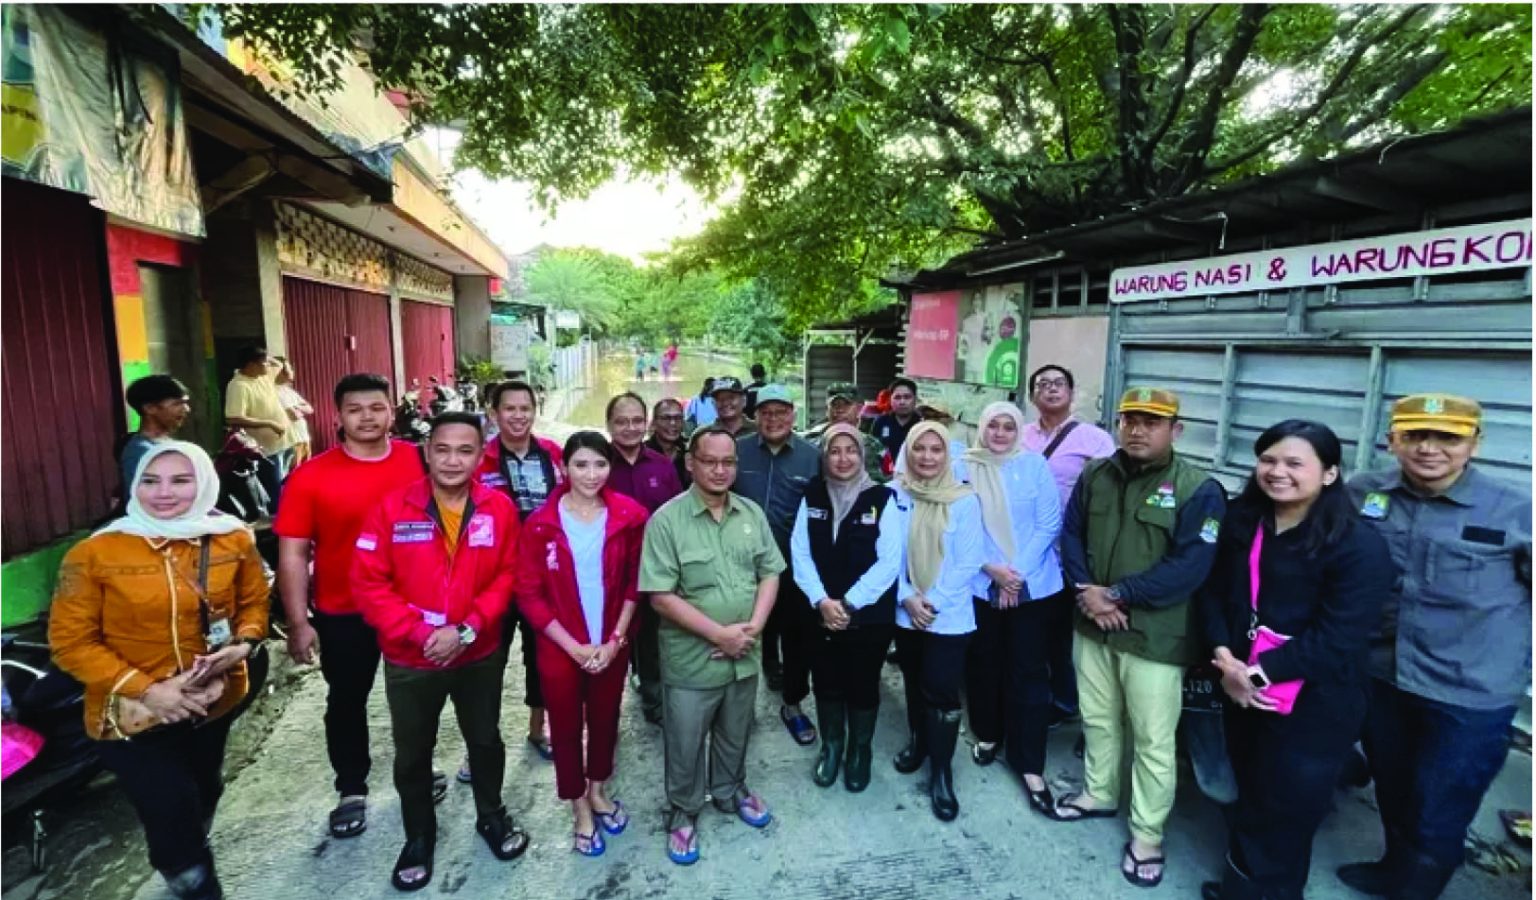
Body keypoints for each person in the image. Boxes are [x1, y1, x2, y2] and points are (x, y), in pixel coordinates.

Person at [50, 442, 269, 900]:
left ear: (205, 482)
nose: (163, 493)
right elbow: (71, 644)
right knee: (169, 806)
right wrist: (150, 691)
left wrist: (243, 646)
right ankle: (191, 877)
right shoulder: (95, 554)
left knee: (203, 788)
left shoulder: (233, 537)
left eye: (180, 480)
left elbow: (252, 605)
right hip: (129, 714)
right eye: (150, 481)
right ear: (133, 486)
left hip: (213, 700)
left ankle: (191, 846)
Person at [1337, 394, 1531, 900]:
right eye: (1415, 435)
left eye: (1447, 437)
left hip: (1469, 690)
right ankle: (1393, 869)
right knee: (1395, 787)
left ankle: (1413, 890)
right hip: (1383, 675)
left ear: (1474, 444)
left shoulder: (1515, 511)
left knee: (1439, 805)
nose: (1429, 448)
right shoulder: (1363, 492)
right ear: (1393, 439)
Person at [1195, 420, 1392, 900]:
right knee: (1251, 790)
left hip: (1315, 701)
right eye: (1268, 460)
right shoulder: (1242, 519)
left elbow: (1339, 635)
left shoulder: (1358, 546)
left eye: (1293, 463)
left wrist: (1258, 675)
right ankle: (1240, 886)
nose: (1277, 472)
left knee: (1286, 808)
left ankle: (1270, 892)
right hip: (1238, 686)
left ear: (1328, 474)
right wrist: (1225, 659)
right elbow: (1212, 593)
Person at [1052, 387, 1227, 890]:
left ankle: (1147, 834)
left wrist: (1120, 595)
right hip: (1092, 624)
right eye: (1130, 419)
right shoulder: (1095, 474)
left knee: (1153, 740)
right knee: (1098, 719)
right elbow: (1071, 535)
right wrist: (1087, 591)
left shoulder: (1199, 488)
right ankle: (1098, 792)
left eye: (1152, 421)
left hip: (1154, 635)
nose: (1137, 429)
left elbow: (1192, 565)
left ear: (1176, 429)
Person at [353, 412, 529, 891]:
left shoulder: (499, 508)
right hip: (412, 658)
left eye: (465, 450)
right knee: (412, 752)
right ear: (427, 452)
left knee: (486, 740)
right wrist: (418, 634)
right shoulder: (391, 509)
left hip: (478, 653)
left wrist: (467, 630)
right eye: (443, 449)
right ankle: (419, 835)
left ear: (480, 456)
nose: (454, 460)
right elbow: (369, 583)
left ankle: (491, 814)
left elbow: (507, 576)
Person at [275, 373, 433, 840]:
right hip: (344, 611)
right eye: (356, 409)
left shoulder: (419, 461)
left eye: (377, 407)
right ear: (338, 416)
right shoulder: (310, 477)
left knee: (419, 696)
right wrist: (299, 621)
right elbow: (293, 554)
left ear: (392, 411)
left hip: (413, 606)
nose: (368, 417)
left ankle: (417, 772)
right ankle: (351, 788)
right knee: (347, 699)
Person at [639, 426, 784, 865]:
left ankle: (729, 789)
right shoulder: (667, 520)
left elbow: (770, 572)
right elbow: (660, 597)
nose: (720, 470)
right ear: (691, 463)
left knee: (735, 729)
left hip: (745, 653)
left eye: (728, 462)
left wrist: (753, 628)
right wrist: (720, 635)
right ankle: (683, 811)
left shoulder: (751, 514)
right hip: (693, 657)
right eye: (710, 461)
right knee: (685, 740)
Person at [512, 431, 647, 857]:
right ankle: (579, 808)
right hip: (560, 646)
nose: (591, 474)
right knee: (566, 728)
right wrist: (573, 647)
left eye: (600, 464)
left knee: (605, 720)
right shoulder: (540, 524)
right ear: (564, 468)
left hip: (612, 642)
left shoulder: (630, 516)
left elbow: (635, 583)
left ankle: (599, 790)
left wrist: (615, 639)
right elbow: (528, 593)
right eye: (581, 465)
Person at [955, 402, 1065, 816]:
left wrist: (1014, 574)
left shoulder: (1033, 465)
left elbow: (1048, 523)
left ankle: (1030, 763)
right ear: (981, 428)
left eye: (1007, 426)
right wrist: (993, 570)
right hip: (981, 582)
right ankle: (987, 735)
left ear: (1018, 430)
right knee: (984, 665)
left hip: (1032, 585)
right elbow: (960, 522)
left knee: (1029, 673)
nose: (1000, 433)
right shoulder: (964, 465)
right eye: (992, 426)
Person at [790, 423, 902, 791]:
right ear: (824, 455)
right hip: (819, 612)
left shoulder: (883, 499)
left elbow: (889, 561)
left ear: (862, 454)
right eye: (834, 451)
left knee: (864, 683)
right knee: (826, 681)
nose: (843, 458)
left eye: (850, 450)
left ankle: (860, 751)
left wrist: (850, 602)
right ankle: (832, 747)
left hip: (868, 616)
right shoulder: (813, 494)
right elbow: (800, 553)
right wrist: (822, 601)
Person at [890, 422, 986, 821]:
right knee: (913, 681)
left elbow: (968, 562)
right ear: (908, 453)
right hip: (905, 609)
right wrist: (906, 597)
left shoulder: (963, 500)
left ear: (949, 456)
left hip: (949, 616)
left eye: (936, 450)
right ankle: (918, 743)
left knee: (942, 691)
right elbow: (887, 554)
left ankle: (942, 771)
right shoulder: (896, 494)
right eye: (919, 449)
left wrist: (932, 602)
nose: (927, 457)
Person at [474, 380, 565, 772]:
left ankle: (537, 728)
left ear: (535, 410)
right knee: (485, 662)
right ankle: (478, 743)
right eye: (508, 408)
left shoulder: (554, 454)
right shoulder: (480, 459)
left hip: (542, 576)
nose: (517, 416)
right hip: (492, 577)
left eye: (524, 408)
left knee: (541, 656)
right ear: (494, 413)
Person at [1022, 364, 1117, 728]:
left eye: (1058, 383)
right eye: (1042, 384)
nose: (1050, 389)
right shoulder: (1021, 436)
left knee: (1067, 634)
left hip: (1070, 553)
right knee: (1036, 631)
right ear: (1032, 396)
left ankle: (1066, 701)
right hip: (1028, 553)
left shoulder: (1094, 440)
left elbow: (1108, 495)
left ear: (1072, 392)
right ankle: (1039, 697)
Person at [731, 385, 821, 740]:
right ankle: (738, 711)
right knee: (741, 636)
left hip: (793, 567)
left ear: (793, 415)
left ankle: (793, 704)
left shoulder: (812, 457)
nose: (773, 419)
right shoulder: (737, 452)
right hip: (739, 566)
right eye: (766, 412)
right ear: (755, 416)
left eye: (781, 412)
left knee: (796, 639)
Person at [605, 393, 685, 724]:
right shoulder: (598, 464)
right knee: (612, 639)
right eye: (621, 421)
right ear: (609, 424)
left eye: (637, 421)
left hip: (655, 570)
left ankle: (654, 702)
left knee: (652, 640)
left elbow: (681, 516)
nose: (630, 428)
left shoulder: (663, 466)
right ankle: (605, 712)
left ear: (646, 423)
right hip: (609, 572)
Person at [223, 347, 292, 510]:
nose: (268, 366)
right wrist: (270, 423)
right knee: (273, 492)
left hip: (282, 443)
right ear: (250, 365)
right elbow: (233, 418)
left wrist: (280, 361)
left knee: (284, 487)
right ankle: (276, 528)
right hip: (263, 450)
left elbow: (287, 376)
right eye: (264, 363)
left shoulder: (263, 376)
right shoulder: (238, 386)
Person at [120, 374, 192, 491]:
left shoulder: (168, 444)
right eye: (177, 403)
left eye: (186, 403)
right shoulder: (141, 452)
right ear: (149, 408)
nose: (187, 409)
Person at [805, 383, 887, 483]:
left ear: (858, 409)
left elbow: (885, 482)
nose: (840, 410)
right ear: (827, 409)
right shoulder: (811, 442)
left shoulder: (873, 445)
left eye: (846, 404)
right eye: (834, 405)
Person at [273, 357, 315, 468]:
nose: (292, 372)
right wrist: (300, 409)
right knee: (293, 474)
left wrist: (296, 407)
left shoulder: (288, 390)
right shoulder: (275, 392)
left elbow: (310, 409)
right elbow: (294, 415)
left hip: (303, 437)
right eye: (289, 368)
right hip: (292, 441)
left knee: (306, 473)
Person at [871, 377, 920, 461]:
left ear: (915, 399)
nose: (902, 402)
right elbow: (872, 451)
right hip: (885, 472)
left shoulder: (922, 424)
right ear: (890, 400)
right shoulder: (881, 422)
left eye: (907, 397)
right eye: (897, 397)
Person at [647, 397, 690, 487]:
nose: (673, 423)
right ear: (654, 422)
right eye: (666, 418)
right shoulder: (643, 453)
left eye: (678, 418)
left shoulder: (690, 451)